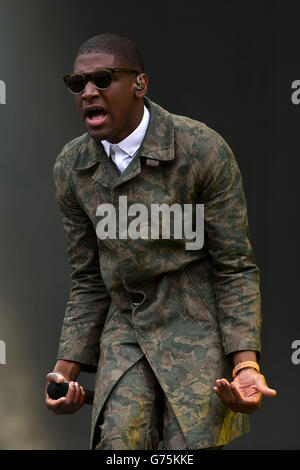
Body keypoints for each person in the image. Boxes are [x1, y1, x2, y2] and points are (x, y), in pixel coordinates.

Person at [45, 33, 276, 450]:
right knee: (118, 441)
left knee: (187, 448)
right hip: (126, 330)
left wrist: (246, 364)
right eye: (78, 84)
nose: (89, 92)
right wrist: (65, 373)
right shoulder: (72, 167)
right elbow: (88, 280)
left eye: (103, 78)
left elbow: (234, 267)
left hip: (197, 329)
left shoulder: (201, 149)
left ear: (140, 85)